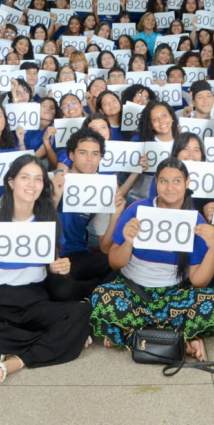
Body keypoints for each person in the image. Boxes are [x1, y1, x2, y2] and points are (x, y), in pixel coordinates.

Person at [90, 158, 214, 360]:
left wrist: (213, 247)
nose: (170, 187)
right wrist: (128, 242)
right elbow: (114, 263)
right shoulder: (136, 210)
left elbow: (199, 281)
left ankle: (132, 335)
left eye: (177, 181)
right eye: (164, 181)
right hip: (133, 289)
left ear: (187, 183)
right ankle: (179, 339)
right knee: (101, 296)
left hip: (174, 294)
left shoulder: (195, 219)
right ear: (156, 182)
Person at [0, 155, 92, 381]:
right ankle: (56, 340)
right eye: (25, 177)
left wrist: (61, 267)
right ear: (11, 182)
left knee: (82, 312)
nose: (31, 184)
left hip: (33, 296)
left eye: (37, 179)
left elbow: (54, 265)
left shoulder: (47, 223)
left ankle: (20, 359)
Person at [46, 127, 125, 301]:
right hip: (48, 256)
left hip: (77, 255)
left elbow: (105, 247)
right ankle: (94, 290)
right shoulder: (49, 179)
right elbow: (33, 224)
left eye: (95, 154)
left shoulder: (101, 188)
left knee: (120, 263)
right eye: (83, 153)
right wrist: (54, 198)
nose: (90, 159)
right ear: (72, 155)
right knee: (61, 291)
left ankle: (88, 289)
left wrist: (115, 214)